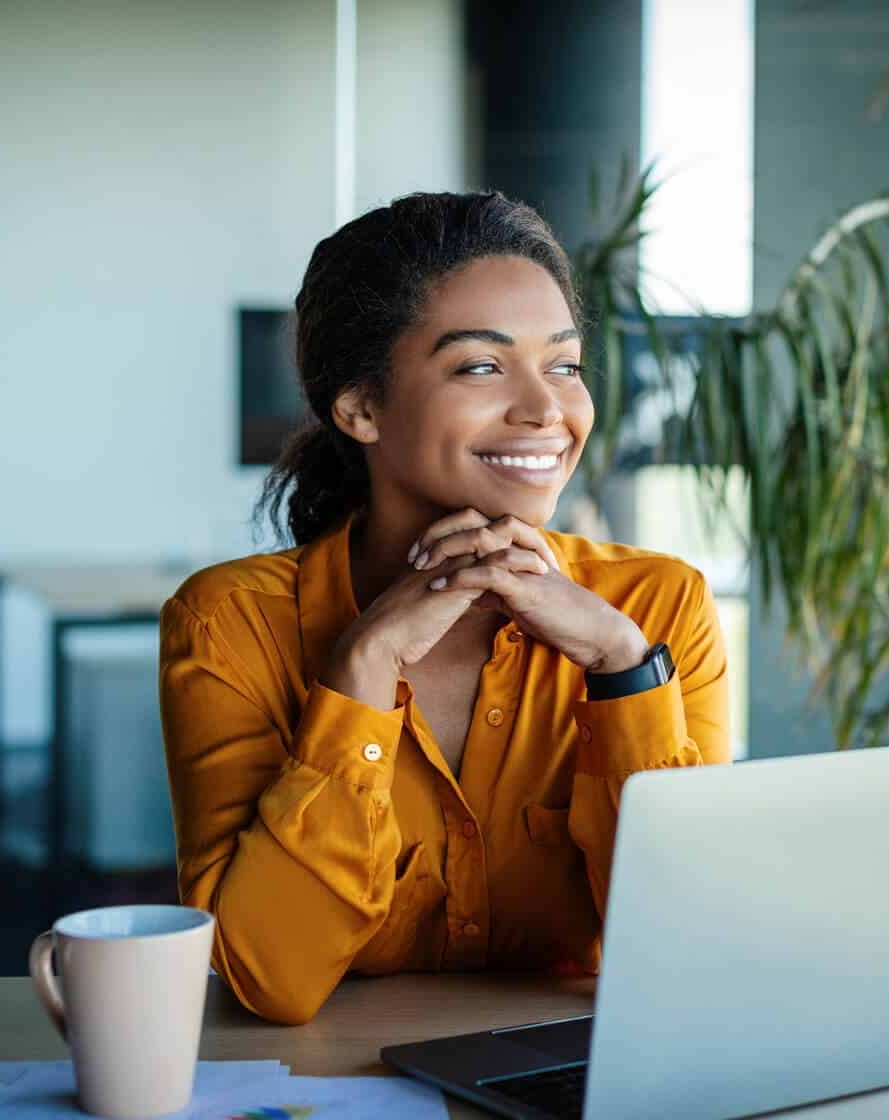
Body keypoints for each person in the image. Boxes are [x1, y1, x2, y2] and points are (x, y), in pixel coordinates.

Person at [159, 191, 730, 1025]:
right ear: (358, 407)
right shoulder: (228, 625)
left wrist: (622, 671)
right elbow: (267, 979)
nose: (547, 411)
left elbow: (694, 949)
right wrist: (360, 673)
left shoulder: (654, 609)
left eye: (564, 365)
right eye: (481, 366)